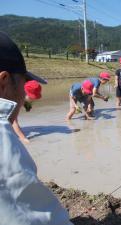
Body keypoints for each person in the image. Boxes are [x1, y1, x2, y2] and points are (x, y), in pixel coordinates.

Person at [0, 32, 73, 224]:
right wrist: (21, 139)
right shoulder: (4, 148)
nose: (22, 97)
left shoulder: (25, 102)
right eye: (22, 86)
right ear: (3, 81)